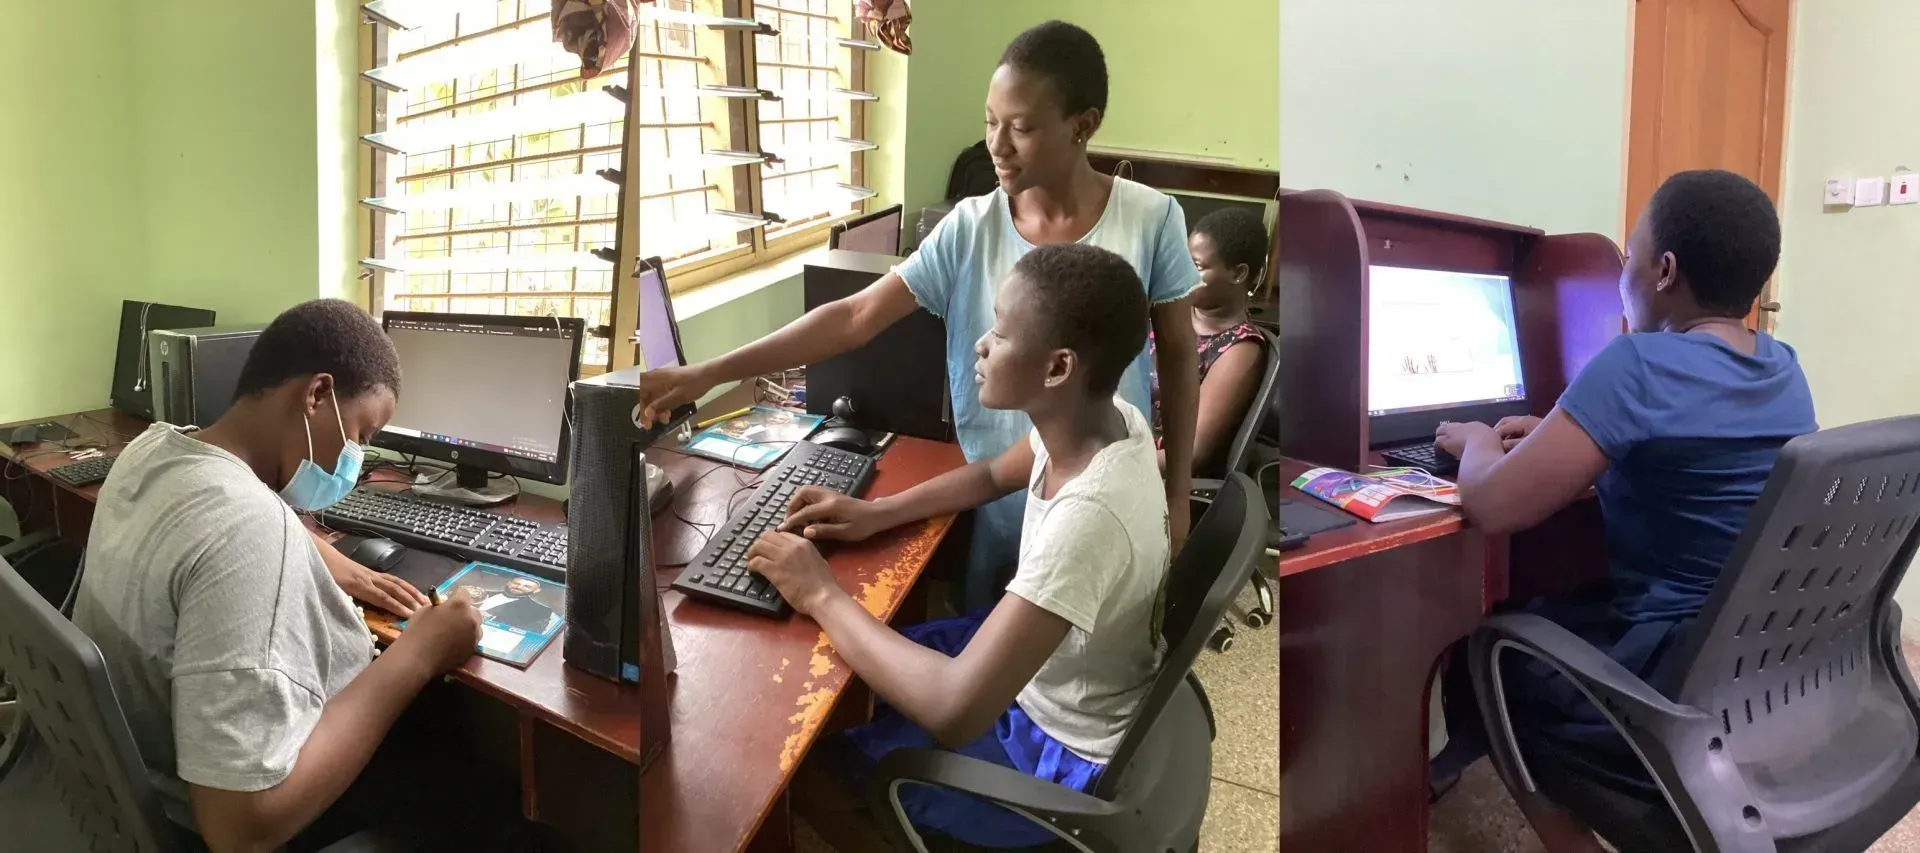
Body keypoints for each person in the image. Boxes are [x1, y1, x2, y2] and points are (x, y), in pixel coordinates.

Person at [636, 20, 1202, 612]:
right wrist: (712, 371)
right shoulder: (970, 227)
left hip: (1098, 490)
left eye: (1022, 128)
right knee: (986, 637)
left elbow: (1182, 356)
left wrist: (1180, 494)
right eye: (990, 121)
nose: (997, 145)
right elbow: (856, 315)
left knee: (1077, 667)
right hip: (995, 490)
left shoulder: (1151, 218)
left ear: (1082, 125)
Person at [1428, 170, 1816, 851]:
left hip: (1667, 669)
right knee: (1556, 599)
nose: (1621, 277)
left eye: (1628, 257)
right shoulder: (1783, 366)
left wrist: (1480, 441)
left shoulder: (1638, 363)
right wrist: (1559, 427)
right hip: (1759, 660)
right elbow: (1687, 436)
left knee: (1487, 650)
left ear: (1664, 270)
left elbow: (1490, 503)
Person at [744, 244, 1170, 850]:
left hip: (1052, 746)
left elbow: (954, 709)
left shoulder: (1091, 514)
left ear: (1057, 369)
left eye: (1000, 330)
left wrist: (819, 591)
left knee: (802, 754)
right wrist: (877, 512)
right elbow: (993, 474)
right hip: (1052, 681)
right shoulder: (1108, 421)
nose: (982, 344)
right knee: (843, 686)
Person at [73, 299, 500, 853]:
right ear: (316, 395)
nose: (357, 457)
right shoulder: (248, 530)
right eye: (361, 435)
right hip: (210, 819)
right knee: (480, 783)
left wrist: (318, 551)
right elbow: (238, 830)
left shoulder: (153, 449)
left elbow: (218, 515)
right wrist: (419, 653)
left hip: (126, 788)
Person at [1150, 206, 1269, 475]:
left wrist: (1102, 463)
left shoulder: (1239, 350)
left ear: (1237, 274)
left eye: (1197, 266)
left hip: (1153, 480)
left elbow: (1190, 455)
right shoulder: (1169, 312)